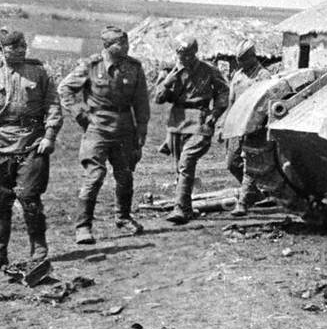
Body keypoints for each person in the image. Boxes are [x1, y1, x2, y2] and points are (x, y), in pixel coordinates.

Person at [59, 25, 150, 244]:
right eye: (121, 44)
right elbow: (64, 89)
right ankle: (83, 227)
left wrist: (141, 131)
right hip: (97, 128)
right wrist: (80, 114)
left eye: (127, 43)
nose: (126, 47)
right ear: (108, 45)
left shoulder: (134, 67)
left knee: (125, 175)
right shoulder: (90, 66)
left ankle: (123, 217)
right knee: (95, 175)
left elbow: (141, 102)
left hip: (124, 129)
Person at [0, 31, 61, 266]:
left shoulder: (38, 72)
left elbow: (53, 105)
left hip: (32, 142)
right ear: (2, 49)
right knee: (1, 200)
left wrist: (49, 136)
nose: (20, 50)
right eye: (14, 47)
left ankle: (38, 249)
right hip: (2, 144)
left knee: (29, 197)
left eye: (23, 46)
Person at [155, 36, 229, 224]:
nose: (184, 58)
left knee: (186, 162)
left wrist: (216, 113)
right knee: (180, 167)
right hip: (177, 121)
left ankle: (180, 209)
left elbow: (223, 91)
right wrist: (167, 82)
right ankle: (186, 208)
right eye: (181, 54)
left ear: (194, 53)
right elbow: (158, 98)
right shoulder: (171, 71)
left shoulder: (208, 70)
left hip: (200, 120)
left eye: (188, 54)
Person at [219, 39, 271, 216]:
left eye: (242, 59)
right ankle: (255, 194)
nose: (239, 63)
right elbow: (231, 103)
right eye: (238, 59)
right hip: (236, 126)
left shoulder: (263, 75)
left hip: (254, 127)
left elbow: (264, 104)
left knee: (249, 163)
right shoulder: (237, 75)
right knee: (232, 163)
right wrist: (224, 126)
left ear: (252, 57)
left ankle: (243, 203)